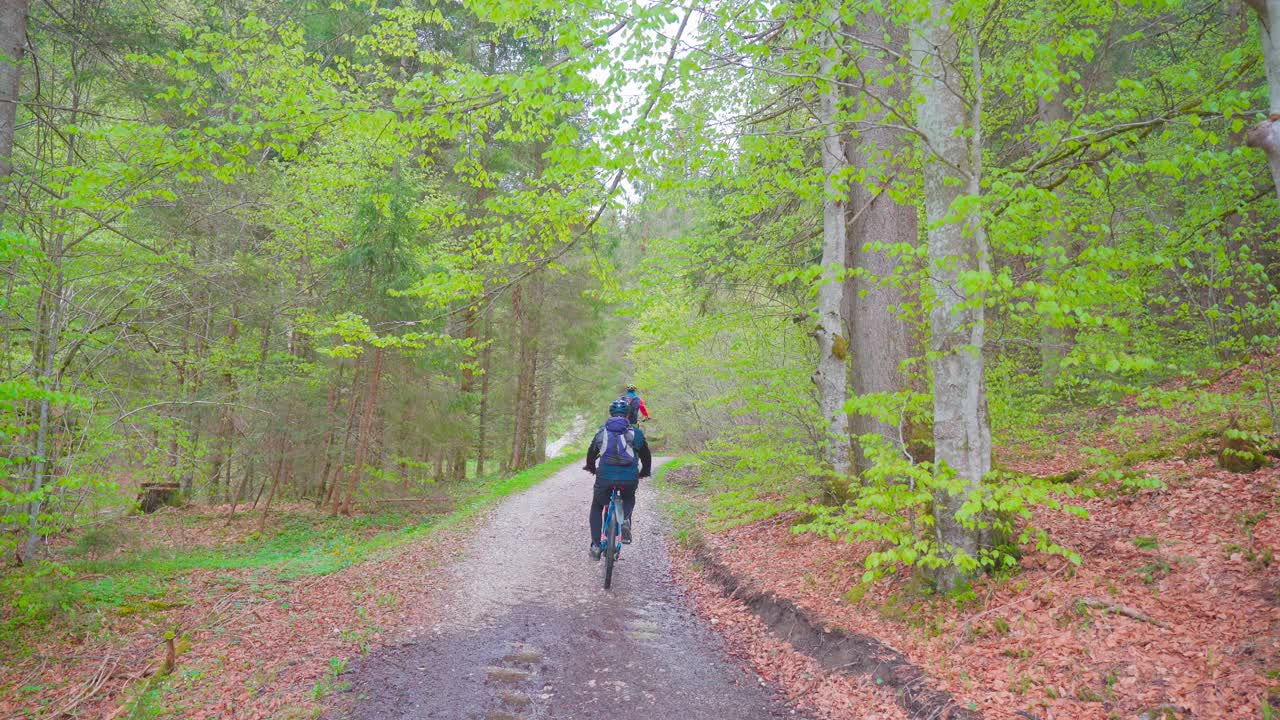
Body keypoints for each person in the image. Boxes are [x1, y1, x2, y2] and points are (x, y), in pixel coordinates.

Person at [584, 398, 652, 560]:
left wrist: (591, 467)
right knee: (629, 496)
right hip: (629, 478)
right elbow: (646, 455)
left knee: (597, 505)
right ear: (628, 415)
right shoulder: (636, 433)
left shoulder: (602, 431)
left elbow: (591, 453)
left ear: (610, 414)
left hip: (605, 477)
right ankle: (625, 519)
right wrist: (644, 471)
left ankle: (595, 546)